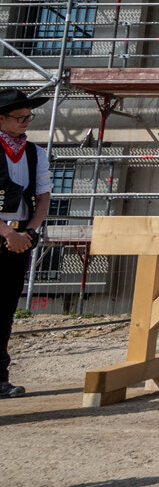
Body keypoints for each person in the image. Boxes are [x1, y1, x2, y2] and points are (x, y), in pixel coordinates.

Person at [0, 88, 52, 399]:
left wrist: (29, 231)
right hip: (5, 233)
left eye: (28, 117)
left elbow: (43, 197)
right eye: (20, 117)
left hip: (20, 235)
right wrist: (6, 232)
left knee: (5, 309)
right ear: (1, 118)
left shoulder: (35, 153)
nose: (25, 122)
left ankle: (0, 377)